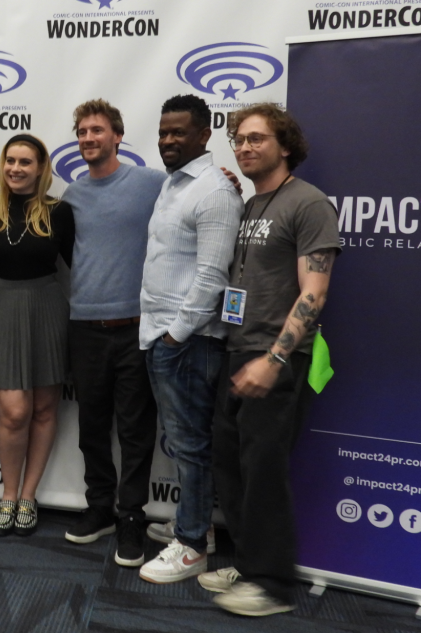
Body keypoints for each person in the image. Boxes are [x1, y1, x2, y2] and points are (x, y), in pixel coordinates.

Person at [202, 104, 339, 617]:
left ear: (286, 146)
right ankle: (248, 562)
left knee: (263, 470)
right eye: (238, 139)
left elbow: (315, 292)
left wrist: (275, 359)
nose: (244, 146)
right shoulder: (252, 204)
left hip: (278, 358)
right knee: (231, 465)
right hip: (238, 350)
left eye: (257, 138)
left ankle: (274, 584)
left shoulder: (309, 204)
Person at [136, 95, 243, 583]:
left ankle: (193, 545)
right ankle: (195, 524)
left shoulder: (214, 191)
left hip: (189, 341)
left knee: (191, 444)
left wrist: (176, 336)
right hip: (164, 335)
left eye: (178, 132)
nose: (167, 141)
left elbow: (212, 277)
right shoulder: (173, 185)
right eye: (163, 132)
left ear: (204, 134)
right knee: (184, 443)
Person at [60, 99, 165, 567]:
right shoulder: (71, 196)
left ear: (118, 135)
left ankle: (131, 517)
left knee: (137, 430)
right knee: (91, 427)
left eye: (96, 130)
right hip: (85, 327)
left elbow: (193, 199)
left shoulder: (150, 183)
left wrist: (222, 181)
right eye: (81, 131)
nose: (87, 138)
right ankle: (99, 507)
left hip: (137, 328)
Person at [0, 134, 73, 537]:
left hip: (48, 308)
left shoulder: (60, 212)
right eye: (10, 160)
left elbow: (82, 264)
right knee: (15, 411)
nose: (16, 168)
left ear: (40, 168)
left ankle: (28, 497)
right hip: (1, 309)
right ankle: (7, 494)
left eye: (25, 162)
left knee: (45, 410)